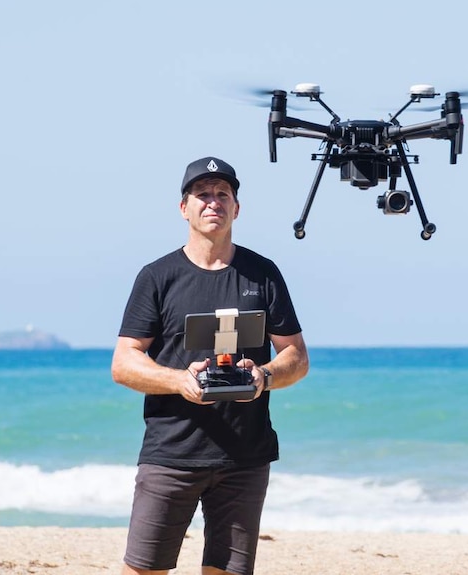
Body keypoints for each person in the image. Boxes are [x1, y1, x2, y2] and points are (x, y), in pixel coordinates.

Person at [111, 156, 310, 575]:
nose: (212, 203)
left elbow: (295, 355)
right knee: (143, 569)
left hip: (244, 455)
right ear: (184, 207)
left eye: (223, 195)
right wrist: (179, 381)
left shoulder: (263, 274)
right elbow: (124, 363)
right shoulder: (157, 277)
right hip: (172, 453)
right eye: (202, 194)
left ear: (236, 208)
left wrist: (264, 376)